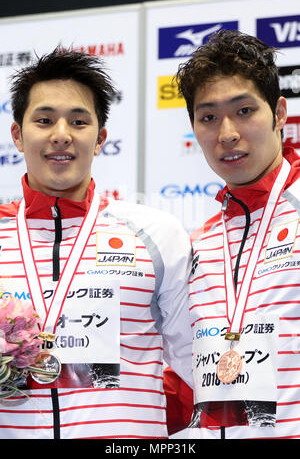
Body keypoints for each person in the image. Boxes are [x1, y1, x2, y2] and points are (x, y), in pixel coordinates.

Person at [0, 48, 193, 439]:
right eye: (44, 119)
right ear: (18, 135)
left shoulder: (156, 233)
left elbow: (197, 367)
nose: (61, 134)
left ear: (100, 137)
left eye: (78, 121)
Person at [164, 29, 300, 439]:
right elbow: (187, 377)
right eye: (208, 117)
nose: (227, 133)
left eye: (243, 111)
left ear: (279, 113)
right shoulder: (198, 243)